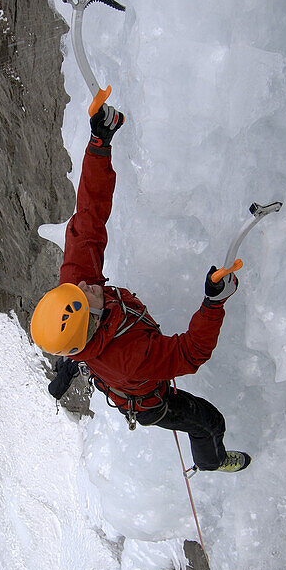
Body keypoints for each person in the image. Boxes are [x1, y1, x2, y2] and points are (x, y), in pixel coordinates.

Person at [30, 105, 250, 473]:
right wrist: (214, 303)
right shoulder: (132, 357)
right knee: (210, 422)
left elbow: (89, 216)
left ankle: (66, 371)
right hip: (147, 401)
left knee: (77, 357)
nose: (86, 285)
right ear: (93, 322)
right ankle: (212, 462)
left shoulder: (76, 292)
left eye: (78, 291)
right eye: (87, 297)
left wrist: (99, 145)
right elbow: (191, 353)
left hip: (91, 354)